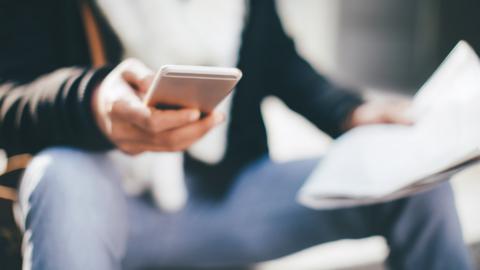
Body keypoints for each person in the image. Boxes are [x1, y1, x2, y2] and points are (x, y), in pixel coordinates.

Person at [0, 0, 472, 269]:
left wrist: (350, 112)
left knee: (416, 179)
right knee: (60, 174)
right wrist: (91, 101)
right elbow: (8, 97)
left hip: (228, 199)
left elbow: (278, 60)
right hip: (112, 212)